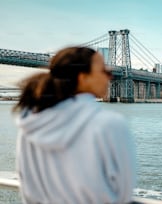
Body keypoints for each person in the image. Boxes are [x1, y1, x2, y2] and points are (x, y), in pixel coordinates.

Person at [13, 46, 136, 204]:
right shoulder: (110, 124)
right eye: (104, 71)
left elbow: (27, 188)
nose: (110, 77)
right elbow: (123, 194)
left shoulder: (29, 124)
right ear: (82, 78)